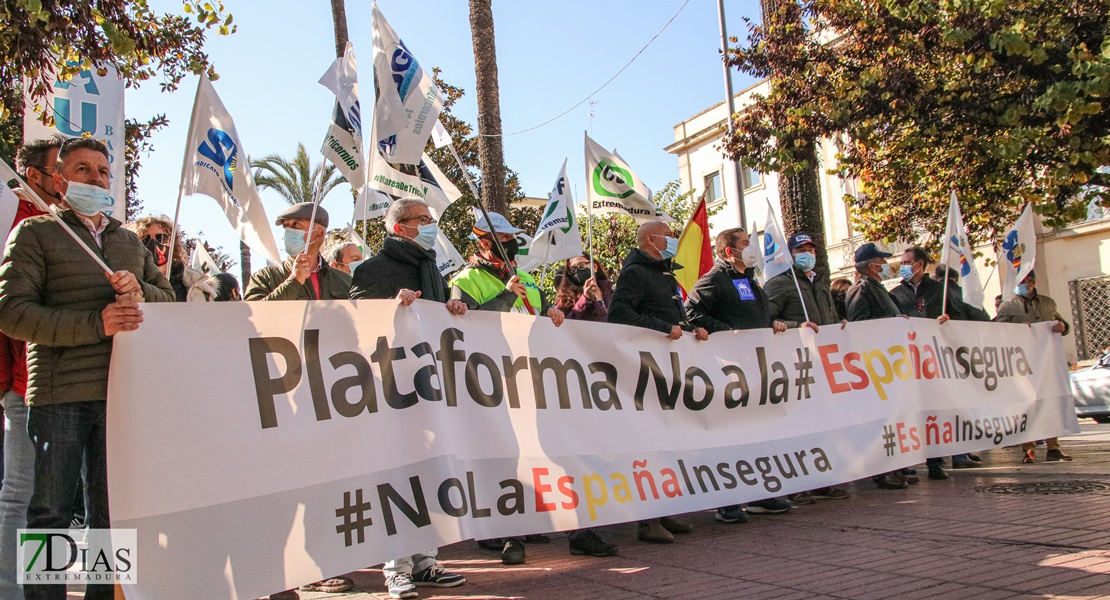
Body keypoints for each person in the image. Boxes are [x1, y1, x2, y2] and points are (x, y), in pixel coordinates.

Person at [0, 137, 176, 600]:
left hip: (121, 396)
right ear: (60, 179)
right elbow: (12, 313)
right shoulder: (35, 234)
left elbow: (168, 301)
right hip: (57, 396)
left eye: (102, 171)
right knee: (49, 514)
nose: (95, 178)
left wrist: (141, 290)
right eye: (82, 169)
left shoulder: (128, 242)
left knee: (111, 517)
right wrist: (95, 324)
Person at [347, 199, 467, 598]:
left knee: (431, 471)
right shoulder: (372, 269)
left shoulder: (432, 267)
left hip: (430, 387)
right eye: (424, 220)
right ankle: (395, 568)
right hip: (390, 387)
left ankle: (425, 561)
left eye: (432, 220)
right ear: (400, 228)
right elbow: (356, 324)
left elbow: (437, 320)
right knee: (396, 477)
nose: (431, 226)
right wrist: (388, 307)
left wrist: (453, 308)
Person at [449, 211, 564, 565]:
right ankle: (498, 529)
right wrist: (503, 295)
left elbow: (541, 316)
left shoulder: (528, 278)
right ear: (484, 241)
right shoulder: (465, 279)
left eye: (513, 237)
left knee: (533, 452)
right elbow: (463, 325)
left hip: (531, 376)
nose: (513, 242)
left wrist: (555, 315)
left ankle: (525, 520)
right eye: (505, 237)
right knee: (500, 455)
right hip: (490, 381)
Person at [685, 227, 798, 521]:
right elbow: (691, 313)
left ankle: (761, 494)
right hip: (727, 372)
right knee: (729, 436)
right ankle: (728, 501)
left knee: (756, 433)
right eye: (746, 244)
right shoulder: (714, 280)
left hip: (754, 370)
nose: (752, 248)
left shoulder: (751, 281)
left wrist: (774, 324)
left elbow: (756, 318)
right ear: (729, 252)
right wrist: (728, 334)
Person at [608, 220, 706, 544]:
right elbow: (619, 315)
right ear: (651, 239)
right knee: (649, 446)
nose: (673, 239)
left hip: (668, 369)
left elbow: (675, 317)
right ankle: (647, 521)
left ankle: (664, 511)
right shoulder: (635, 273)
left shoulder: (664, 271)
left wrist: (692, 330)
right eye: (667, 234)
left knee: (668, 443)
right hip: (647, 372)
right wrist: (661, 327)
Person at [0, 137, 65, 599]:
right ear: (34, 176)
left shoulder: (66, 226)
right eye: (61, 169)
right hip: (29, 384)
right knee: (22, 495)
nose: (69, 180)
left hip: (70, 386)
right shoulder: (24, 226)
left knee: (51, 501)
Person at [762, 232, 850, 503]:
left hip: (822, 365)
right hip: (794, 367)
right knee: (796, 428)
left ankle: (821, 479)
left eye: (811, 247)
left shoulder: (821, 285)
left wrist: (839, 325)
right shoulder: (779, 285)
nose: (808, 252)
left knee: (822, 424)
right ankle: (794, 485)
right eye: (802, 248)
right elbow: (765, 319)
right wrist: (793, 327)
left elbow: (830, 318)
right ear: (790, 254)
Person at [549, 253, 619, 558]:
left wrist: (602, 299)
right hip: (577, 388)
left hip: (611, 387)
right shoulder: (563, 298)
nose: (582, 269)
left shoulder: (612, 292)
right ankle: (579, 532)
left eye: (586, 263)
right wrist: (585, 303)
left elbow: (621, 327)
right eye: (575, 266)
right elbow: (563, 331)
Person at [891, 248, 972, 479]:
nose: (904, 265)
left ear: (921, 264)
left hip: (936, 361)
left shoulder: (941, 290)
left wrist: (949, 321)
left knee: (935, 411)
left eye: (908, 262)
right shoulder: (896, 294)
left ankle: (935, 461)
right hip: (909, 363)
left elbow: (961, 317)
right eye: (902, 261)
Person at [845, 242, 915, 490]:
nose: (885, 265)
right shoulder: (861, 289)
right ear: (872, 265)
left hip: (887, 364)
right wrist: (890, 323)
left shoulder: (877, 288)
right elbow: (859, 324)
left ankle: (894, 466)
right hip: (874, 366)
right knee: (878, 421)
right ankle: (881, 471)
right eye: (881, 261)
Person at [995, 271, 1073, 463]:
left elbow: (1061, 322)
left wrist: (1063, 326)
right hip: (1023, 365)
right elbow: (997, 331)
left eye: (1024, 281)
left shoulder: (1048, 303)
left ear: (1032, 282)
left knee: (1050, 402)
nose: (1020, 285)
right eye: (1018, 281)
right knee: (1027, 405)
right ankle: (1028, 448)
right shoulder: (1008, 306)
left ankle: (1053, 447)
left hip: (1047, 363)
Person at [244, 203, 351, 301]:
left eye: (296, 225)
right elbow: (251, 316)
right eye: (285, 226)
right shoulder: (265, 278)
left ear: (318, 234)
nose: (287, 232)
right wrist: (294, 282)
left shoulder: (344, 281)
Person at [125, 215, 211, 302]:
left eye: (161, 238)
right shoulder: (128, 281)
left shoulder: (193, 283)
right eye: (145, 239)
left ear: (172, 243)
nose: (154, 244)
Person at [553, 253, 613, 322]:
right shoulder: (564, 301)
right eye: (573, 269)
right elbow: (563, 326)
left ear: (594, 267)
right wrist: (585, 300)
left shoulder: (612, 294)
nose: (577, 271)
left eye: (581, 266)